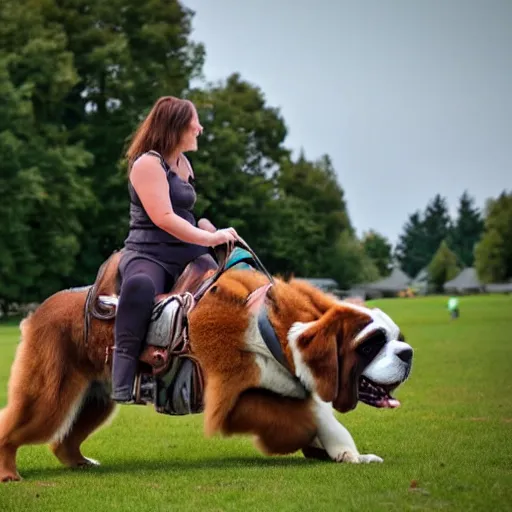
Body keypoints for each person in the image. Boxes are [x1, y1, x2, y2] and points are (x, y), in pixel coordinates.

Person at [112, 96, 238, 403]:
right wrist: (210, 239)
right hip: (149, 254)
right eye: (195, 122)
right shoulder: (147, 164)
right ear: (176, 126)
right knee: (140, 288)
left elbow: (183, 214)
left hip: (188, 252)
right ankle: (123, 379)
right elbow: (164, 218)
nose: (200, 128)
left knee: (229, 289)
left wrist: (206, 227)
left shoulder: (183, 163)